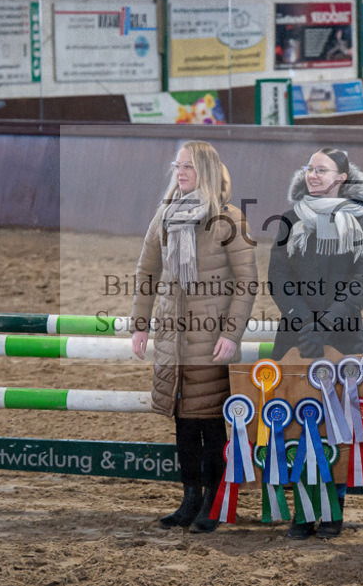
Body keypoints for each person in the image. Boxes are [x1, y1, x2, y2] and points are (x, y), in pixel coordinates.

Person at [131, 141, 258, 534]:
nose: (180, 172)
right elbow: (147, 270)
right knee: (183, 422)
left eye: (188, 166)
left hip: (210, 339)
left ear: (205, 170)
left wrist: (231, 334)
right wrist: (140, 323)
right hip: (173, 339)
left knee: (211, 423)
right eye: (178, 165)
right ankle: (190, 498)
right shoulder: (165, 215)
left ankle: (213, 502)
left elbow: (247, 282)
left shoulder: (229, 219)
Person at [268, 147, 363, 539]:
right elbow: (278, 275)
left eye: (322, 170)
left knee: (338, 427)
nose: (313, 175)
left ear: (342, 177)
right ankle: (302, 511)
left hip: (342, 337)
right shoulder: (290, 218)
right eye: (310, 169)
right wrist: (305, 323)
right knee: (298, 424)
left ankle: (333, 510)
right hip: (297, 337)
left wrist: (326, 323)